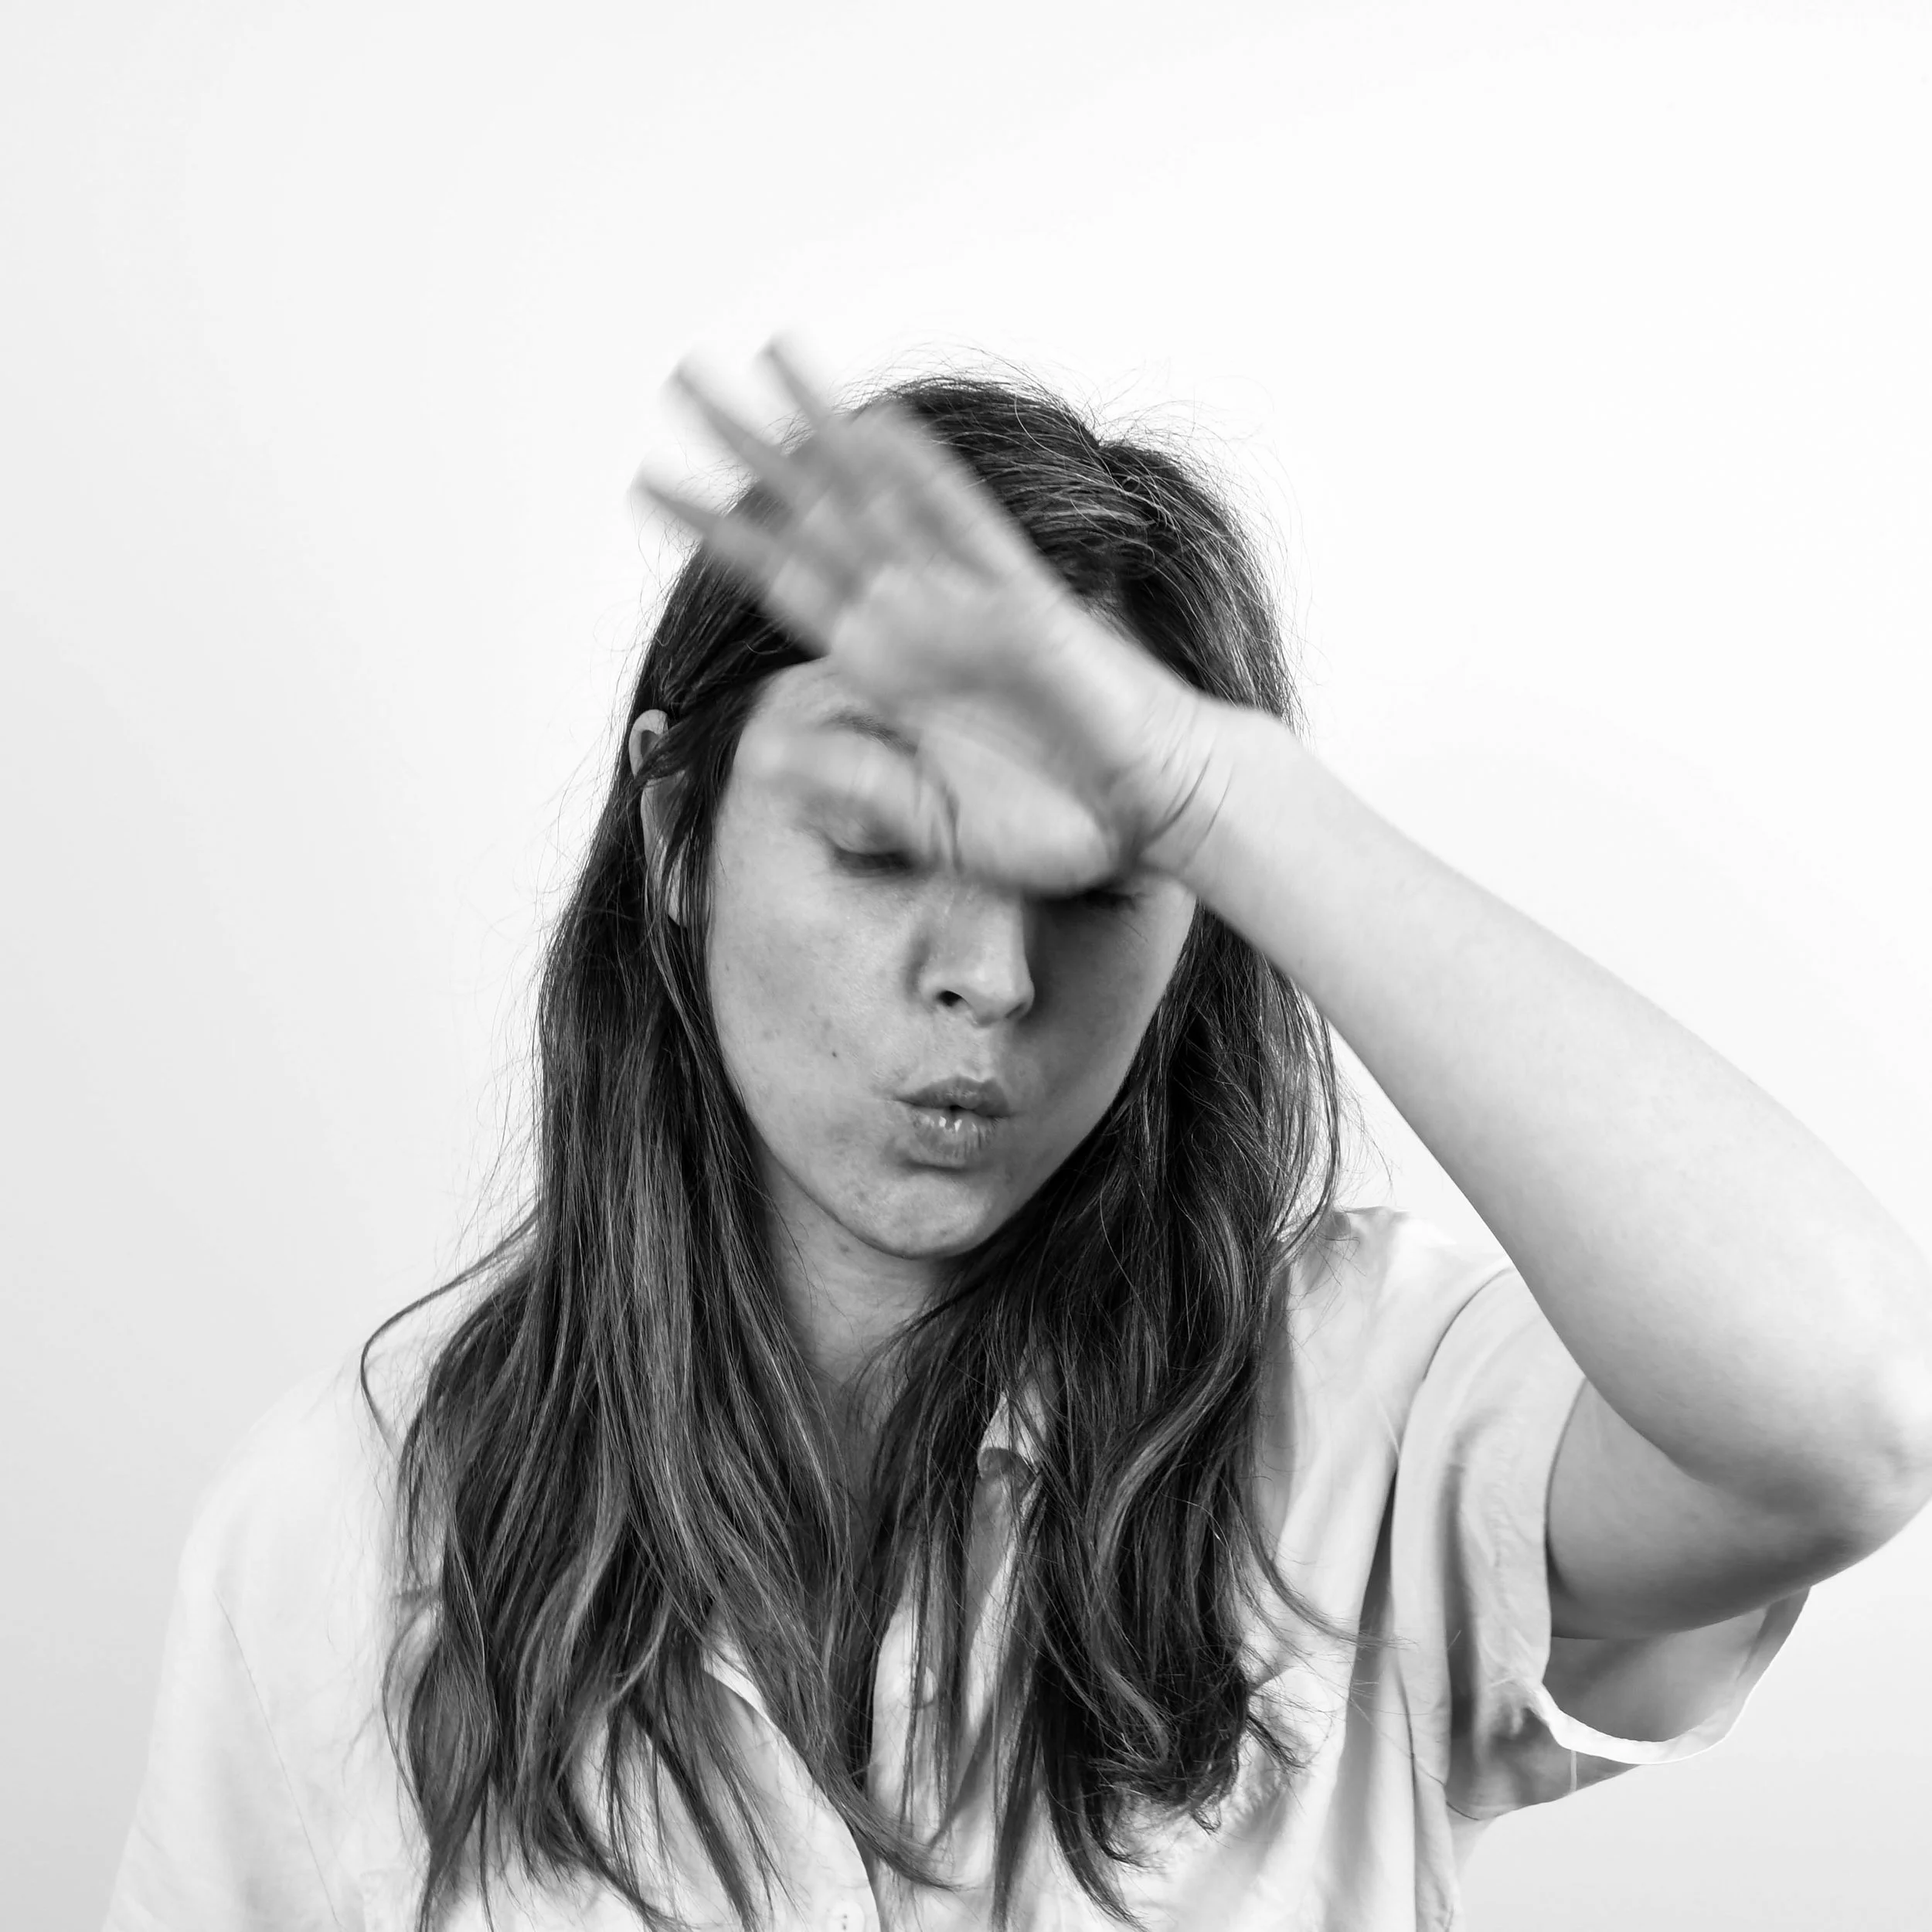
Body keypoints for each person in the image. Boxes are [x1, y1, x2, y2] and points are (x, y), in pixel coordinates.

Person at [105, 349, 1932, 1932]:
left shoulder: (1365, 1418)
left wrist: (1214, 786)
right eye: (879, 846)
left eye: (1099, 874)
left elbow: (1844, 1405)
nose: (987, 974)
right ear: (675, 831)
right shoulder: (342, 1522)